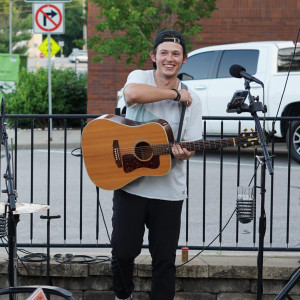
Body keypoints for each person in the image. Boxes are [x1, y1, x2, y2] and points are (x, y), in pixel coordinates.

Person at [111, 29, 202, 300]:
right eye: (164, 53)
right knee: (123, 252)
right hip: (130, 184)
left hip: (169, 192)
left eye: (176, 54)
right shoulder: (139, 77)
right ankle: (123, 296)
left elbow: (191, 143)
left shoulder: (193, 99)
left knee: (164, 260)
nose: (169, 58)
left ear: (184, 59)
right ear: (154, 56)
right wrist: (174, 95)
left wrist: (186, 153)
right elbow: (132, 95)